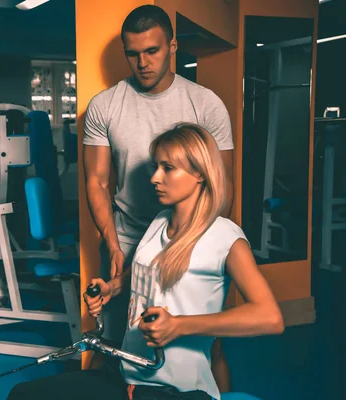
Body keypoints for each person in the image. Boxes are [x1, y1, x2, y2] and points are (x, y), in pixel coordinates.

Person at [7, 123, 284, 400]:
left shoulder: (225, 237)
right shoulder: (161, 220)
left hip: (176, 390)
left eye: (168, 168)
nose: (155, 177)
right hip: (127, 374)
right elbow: (146, 271)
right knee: (23, 395)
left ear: (199, 173)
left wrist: (179, 325)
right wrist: (112, 288)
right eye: (155, 167)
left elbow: (270, 318)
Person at [82, 4, 234, 390]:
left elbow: (223, 182)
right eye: (133, 54)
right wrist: (113, 245)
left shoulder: (206, 104)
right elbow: (97, 181)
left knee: (204, 348)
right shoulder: (105, 105)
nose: (143, 63)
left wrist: (198, 243)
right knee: (116, 346)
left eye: (153, 51)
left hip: (191, 239)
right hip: (131, 238)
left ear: (173, 47)